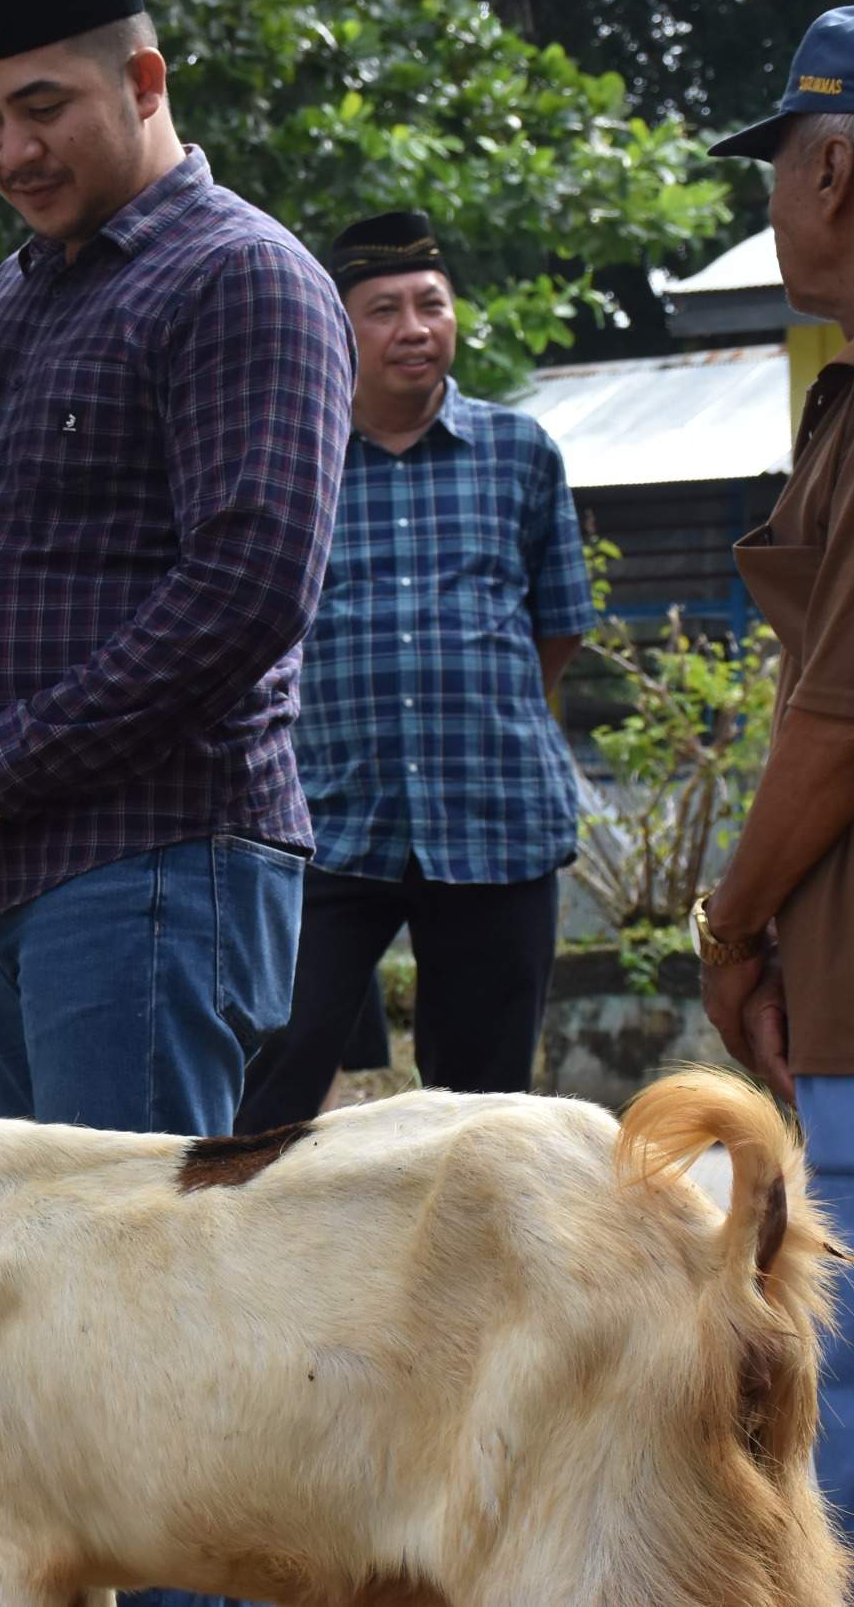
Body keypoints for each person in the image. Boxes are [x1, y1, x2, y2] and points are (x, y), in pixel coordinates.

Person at [0, 0, 350, 1168]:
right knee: (67, 1263)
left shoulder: (242, 275)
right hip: (18, 873)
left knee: (131, 1276)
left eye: (43, 107)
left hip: (155, 861)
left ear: (143, 80)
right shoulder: (11, 297)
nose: (12, 150)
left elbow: (247, 591)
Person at [695, 1, 854, 1605]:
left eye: (777, 164)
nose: (774, 198)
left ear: (831, 167)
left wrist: (730, 927)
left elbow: (847, 716)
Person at [233, 213, 592, 1135]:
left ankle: (470, 1238)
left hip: (494, 816)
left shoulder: (520, 451)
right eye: (384, 309)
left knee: (484, 1112)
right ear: (339, 327)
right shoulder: (291, 457)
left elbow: (558, 629)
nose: (415, 329)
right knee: (267, 1076)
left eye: (431, 305)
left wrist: (469, 707)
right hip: (323, 818)